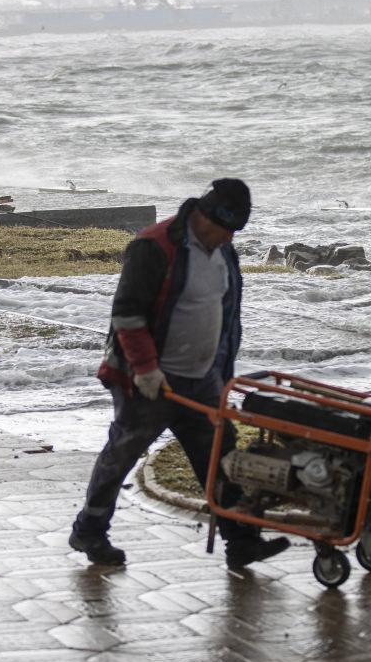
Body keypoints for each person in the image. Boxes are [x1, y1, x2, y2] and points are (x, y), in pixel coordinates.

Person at [70, 178, 291, 568]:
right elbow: (126, 313)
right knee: (121, 454)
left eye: (236, 231)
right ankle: (89, 530)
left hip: (202, 380)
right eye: (226, 228)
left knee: (220, 457)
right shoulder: (154, 246)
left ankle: (240, 541)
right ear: (206, 215)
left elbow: (227, 318)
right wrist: (146, 369)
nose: (229, 237)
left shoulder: (224, 252)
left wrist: (221, 375)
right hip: (149, 381)